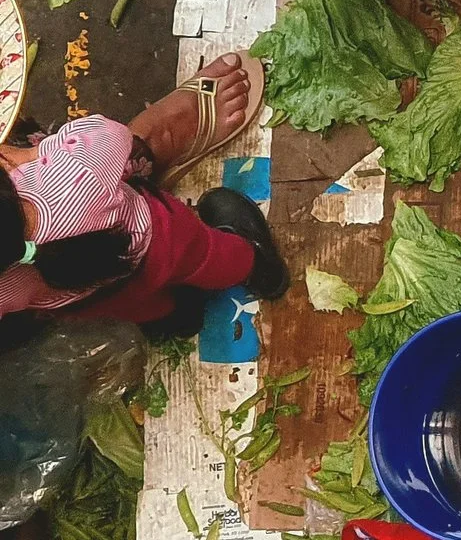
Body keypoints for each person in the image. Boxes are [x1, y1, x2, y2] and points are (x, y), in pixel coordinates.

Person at [0, 52, 289, 333]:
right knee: (205, 256)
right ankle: (256, 267)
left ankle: (176, 319)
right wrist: (30, 155)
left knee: (137, 304)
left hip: (91, 296)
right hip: (157, 243)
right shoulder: (77, 172)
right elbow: (110, 134)